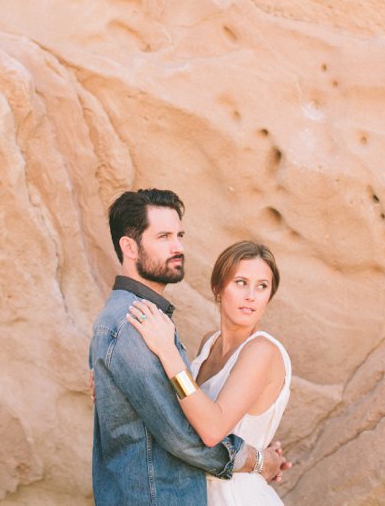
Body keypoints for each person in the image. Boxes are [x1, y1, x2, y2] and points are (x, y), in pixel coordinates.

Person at [89, 189, 289, 506]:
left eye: (179, 235)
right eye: (164, 237)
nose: (178, 247)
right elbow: (186, 436)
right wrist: (258, 459)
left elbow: (190, 418)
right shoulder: (137, 324)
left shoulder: (145, 322)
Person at [128, 240, 291, 505]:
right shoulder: (209, 343)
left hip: (236, 496)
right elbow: (185, 413)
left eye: (262, 286)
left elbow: (213, 429)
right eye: (241, 282)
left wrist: (168, 353)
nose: (251, 295)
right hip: (195, 491)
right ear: (218, 287)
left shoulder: (262, 350)